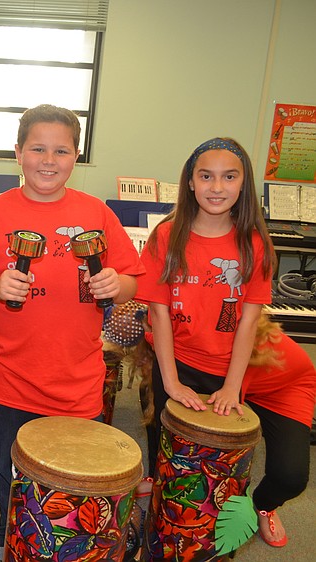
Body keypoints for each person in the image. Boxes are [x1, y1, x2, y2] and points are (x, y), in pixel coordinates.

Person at [0, 104, 144, 560]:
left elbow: (133, 279)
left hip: (77, 379)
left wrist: (118, 284)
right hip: (10, 379)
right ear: (17, 153)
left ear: (76, 156)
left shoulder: (96, 213)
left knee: (74, 477)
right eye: (37, 148)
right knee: (10, 469)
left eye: (61, 150)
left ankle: (62, 547)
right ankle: (8, 540)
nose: (48, 159)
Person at [136, 137, 313, 548]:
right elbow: (158, 313)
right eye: (206, 176)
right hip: (182, 361)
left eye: (229, 176)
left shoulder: (254, 244)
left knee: (280, 474)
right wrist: (171, 383)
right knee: (171, 449)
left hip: (257, 372)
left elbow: (249, 322)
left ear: (243, 184)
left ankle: (263, 506)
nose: (217, 186)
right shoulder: (167, 236)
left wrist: (233, 387)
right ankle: (158, 510)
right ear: (191, 183)